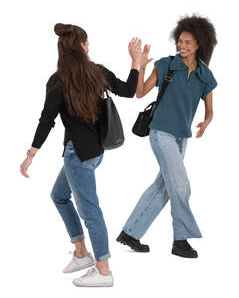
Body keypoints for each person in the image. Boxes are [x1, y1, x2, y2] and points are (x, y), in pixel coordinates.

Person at [20, 23, 141, 287]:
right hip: (95, 152)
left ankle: (104, 271)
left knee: (91, 212)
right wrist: (135, 63)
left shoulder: (57, 81)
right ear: (83, 46)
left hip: (78, 156)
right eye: (87, 43)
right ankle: (81, 253)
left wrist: (31, 154)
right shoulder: (96, 71)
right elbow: (129, 91)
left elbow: (46, 120)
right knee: (59, 195)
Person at [117, 15, 218, 258]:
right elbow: (140, 93)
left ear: (200, 45)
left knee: (164, 187)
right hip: (161, 133)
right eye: (180, 41)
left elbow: (210, 108)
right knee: (181, 187)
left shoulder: (205, 75)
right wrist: (140, 66)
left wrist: (206, 121)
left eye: (188, 43)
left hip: (182, 138)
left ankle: (130, 232)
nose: (182, 46)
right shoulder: (166, 65)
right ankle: (180, 240)